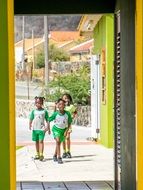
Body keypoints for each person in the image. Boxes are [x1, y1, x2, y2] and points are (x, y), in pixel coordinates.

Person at [49, 98, 72, 164]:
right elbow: (49, 120)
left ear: (65, 105)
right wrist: (48, 128)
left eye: (63, 104)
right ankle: (59, 157)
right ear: (57, 106)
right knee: (58, 141)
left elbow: (69, 122)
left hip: (63, 130)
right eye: (60, 104)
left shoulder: (67, 114)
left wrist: (66, 131)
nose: (61, 105)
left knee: (58, 143)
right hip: (56, 129)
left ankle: (54, 155)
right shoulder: (55, 114)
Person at [29, 96, 51, 161]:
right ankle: (37, 153)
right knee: (36, 141)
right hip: (35, 129)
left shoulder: (44, 111)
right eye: (36, 103)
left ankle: (41, 154)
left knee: (41, 141)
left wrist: (48, 128)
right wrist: (29, 125)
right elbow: (31, 118)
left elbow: (48, 120)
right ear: (35, 103)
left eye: (39, 103)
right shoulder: (34, 111)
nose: (38, 104)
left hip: (42, 129)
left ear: (42, 103)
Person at [62, 93, 77, 158]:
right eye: (64, 98)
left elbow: (75, 112)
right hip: (61, 125)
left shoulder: (71, 106)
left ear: (69, 99)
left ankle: (68, 151)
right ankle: (64, 151)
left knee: (67, 137)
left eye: (66, 98)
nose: (65, 99)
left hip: (68, 124)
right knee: (63, 138)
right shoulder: (61, 106)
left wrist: (73, 117)